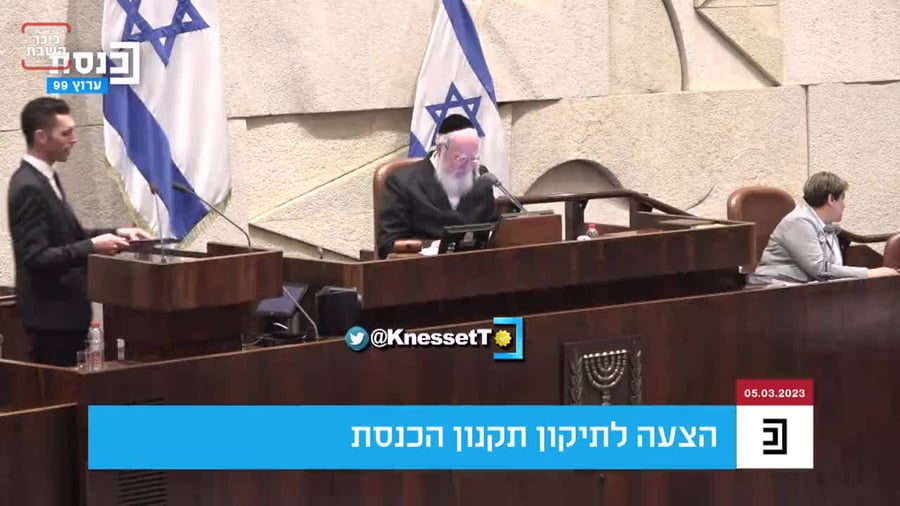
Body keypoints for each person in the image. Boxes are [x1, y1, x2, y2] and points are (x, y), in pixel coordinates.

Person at [8, 97, 152, 366]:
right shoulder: (28, 186)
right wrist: (93, 246)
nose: (74, 140)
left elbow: (68, 237)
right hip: (50, 322)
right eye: (66, 133)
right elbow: (36, 257)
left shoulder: (46, 178)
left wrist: (118, 232)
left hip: (65, 318)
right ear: (41, 137)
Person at [377, 114, 498, 259]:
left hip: (476, 266)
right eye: (461, 159)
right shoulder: (403, 182)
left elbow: (495, 229)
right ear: (440, 150)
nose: (467, 166)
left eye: (473, 159)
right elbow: (388, 244)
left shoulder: (481, 177)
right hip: (425, 267)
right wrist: (430, 246)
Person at [754, 171, 899, 283]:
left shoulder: (825, 223)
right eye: (842, 198)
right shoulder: (798, 221)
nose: (844, 205)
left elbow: (832, 267)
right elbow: (820, 270)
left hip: (804, 291)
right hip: (775, 292)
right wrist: (869, 273)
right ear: (831, 199)